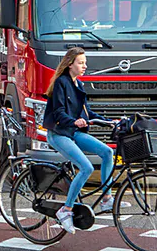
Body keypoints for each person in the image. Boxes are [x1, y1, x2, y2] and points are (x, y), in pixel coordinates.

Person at [42, 47, 126, 234]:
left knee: (107, 152)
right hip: (59, 133)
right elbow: (58, 112)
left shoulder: (78, 84)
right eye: (81, 63)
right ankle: (66, 210)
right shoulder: (61, 83)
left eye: (85, 63)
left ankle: (106, 199)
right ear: (70, 64)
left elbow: (87, 113)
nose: (84, 66)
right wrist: (73, 121)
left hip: (73, 132)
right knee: (86, 167)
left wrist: (109, 122)